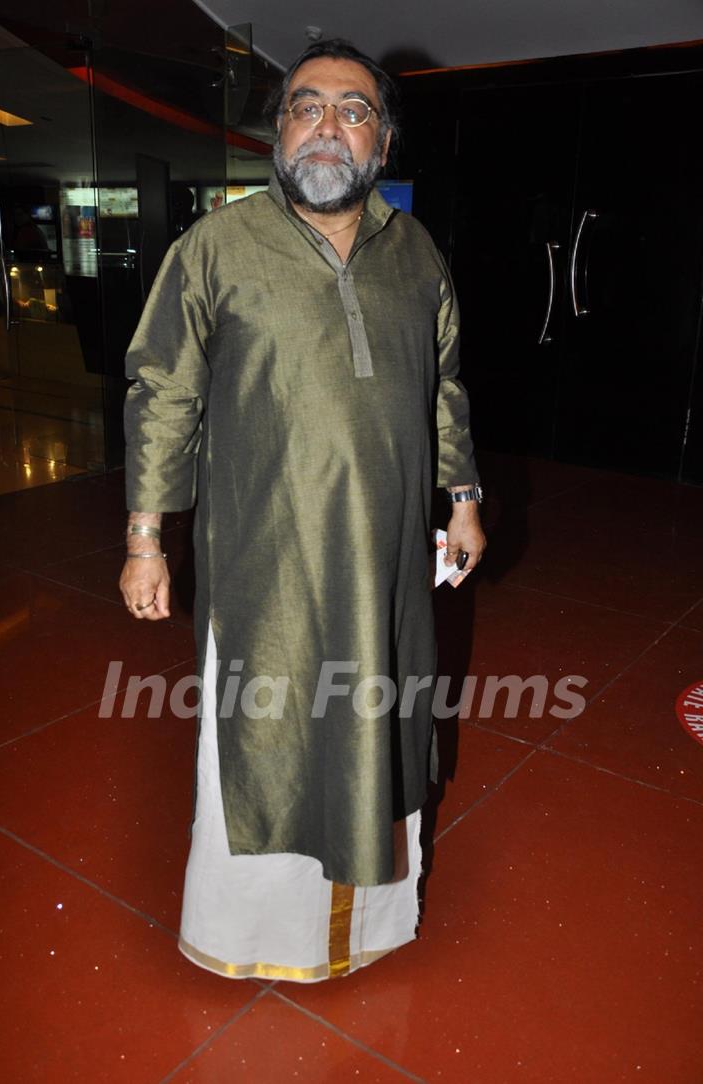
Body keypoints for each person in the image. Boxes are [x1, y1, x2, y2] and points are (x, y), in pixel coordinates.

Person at [119, 39, 485, 982]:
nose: (327, 125)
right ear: (277, 130)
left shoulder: (418, 254)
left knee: (380, 717)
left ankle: (365, 930)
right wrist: (146, 536)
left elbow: (444, 386)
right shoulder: (216, 247)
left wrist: (466, 498)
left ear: (384, 138)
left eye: (352, 110)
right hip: (263, 562)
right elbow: (162, 392)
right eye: (305, 106)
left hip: (390, 565)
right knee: (268, 730)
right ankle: (253, 940)